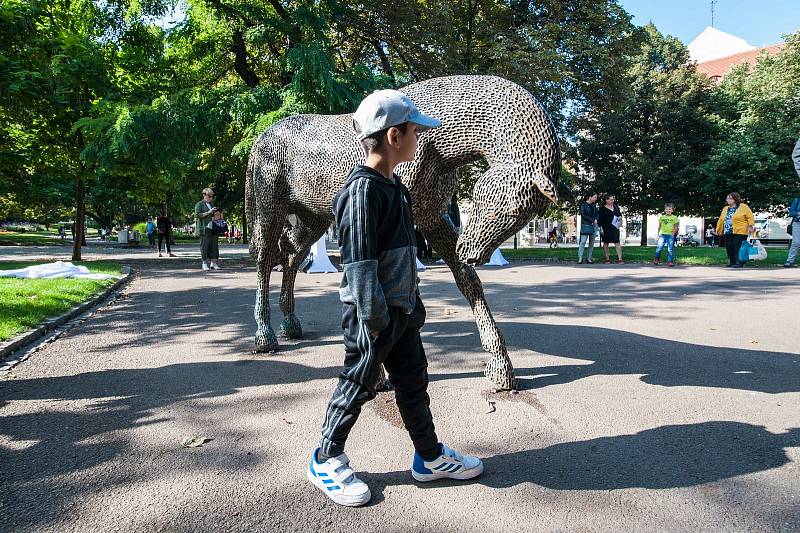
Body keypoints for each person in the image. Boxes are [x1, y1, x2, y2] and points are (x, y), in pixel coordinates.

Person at [307, 89, 483, 508]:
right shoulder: (362, 192)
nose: (420, 137)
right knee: (358, 383)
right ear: (393, 136)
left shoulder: (395, 186)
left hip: (402, 311)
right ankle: (325, 458)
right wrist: (376, 318)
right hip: (374, 316)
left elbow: (402, 255)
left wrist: (412, 308)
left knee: (413, 383)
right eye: (414, 130)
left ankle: (429, 456)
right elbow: (360, 265)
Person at [715, 192, 754, 268]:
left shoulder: (743, 207)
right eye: (727, 198)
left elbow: (750, 216)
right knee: (729, 247)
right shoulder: (725, 208)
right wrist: (718, 230)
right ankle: (732, 262)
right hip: (728, 231)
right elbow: (721, 220)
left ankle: (739, 262)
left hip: (740, 231)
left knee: (738, 247)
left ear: (735, 199)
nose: (728, 200)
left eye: (730, 198)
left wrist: (750, 226)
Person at [194, 188, 218, 271]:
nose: (210, 198)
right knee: (205, 246)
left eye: (211, 196)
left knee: (214, 245)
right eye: (209, 196)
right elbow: (197, 215)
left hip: (213, 227)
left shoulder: (212, 204)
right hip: (204, 228)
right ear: (204, 195)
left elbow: (214, 215)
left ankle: (213, 263)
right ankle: (204, 263)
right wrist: (208, 212)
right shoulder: (199, 204)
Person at [598, 194, 623, 263]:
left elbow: (619, 214)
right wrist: (601, 228)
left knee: (617, 242)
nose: (612, 201)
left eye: (613, 199)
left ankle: (620, 259)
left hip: (615, 227)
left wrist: (620, 217)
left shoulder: (615, 206)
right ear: (606, 200)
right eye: (611, 199)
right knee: (606, 243)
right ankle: (607, 258)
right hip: (606, 227)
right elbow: (600, 219)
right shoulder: (602, 209)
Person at [577, 193, 599, 264]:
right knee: (583, 241)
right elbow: (583, 215)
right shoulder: (583, 205)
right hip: (586, 225)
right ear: (590, 197)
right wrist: (592, 220)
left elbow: (597, 214)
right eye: (594, 197)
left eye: (596, 197)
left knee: (591, 243)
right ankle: (580, 258)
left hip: (593, 226)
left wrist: (595, 220)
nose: (596, 199)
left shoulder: (594, 205)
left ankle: (589, 258)